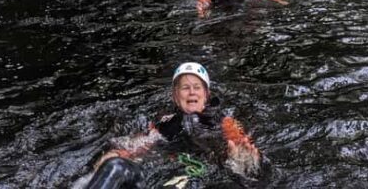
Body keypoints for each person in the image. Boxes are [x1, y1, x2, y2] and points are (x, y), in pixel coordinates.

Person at [85, 62, 261, 188]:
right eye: (185, 88)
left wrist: (241, 159)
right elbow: (141, 144)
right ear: (176, 96)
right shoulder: (165, 123)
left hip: (205, 172)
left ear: (206, 95)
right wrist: (116, 155)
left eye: (197, 87)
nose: (191, 92)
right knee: (116, 166)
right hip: (167, 170)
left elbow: (237, 143)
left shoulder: (224, 120)